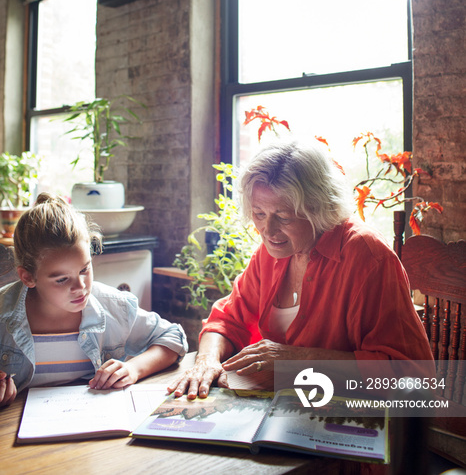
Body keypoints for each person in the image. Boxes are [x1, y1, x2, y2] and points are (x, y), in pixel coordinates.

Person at [168, 140, 434, 399]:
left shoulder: (367, 256)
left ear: (318, 208)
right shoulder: (272, 252)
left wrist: (298, 360)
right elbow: (226, 320)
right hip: (279, 405)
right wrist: (206, 360)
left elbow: (413, 375)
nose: (267, 231)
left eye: (283, 217)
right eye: (259, 214)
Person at [0, 193, 188, 408]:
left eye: (84, 269)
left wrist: (134, 368)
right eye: (62, 279)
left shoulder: (112, 305)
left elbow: (174, 337)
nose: (80, 287)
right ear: (28, 277)